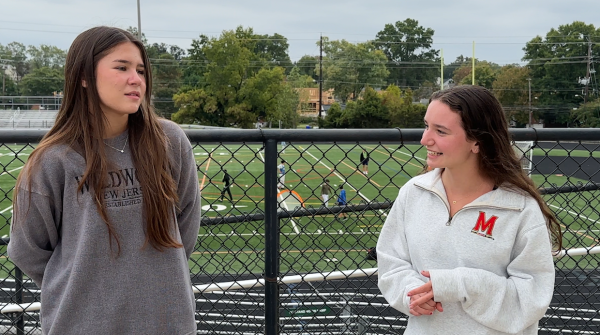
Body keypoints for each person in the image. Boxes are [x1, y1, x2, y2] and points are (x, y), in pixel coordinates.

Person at [7, 26, 201, 335]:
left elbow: (185, 229)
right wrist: (85, 286)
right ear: (84, 76)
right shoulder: (53, 159)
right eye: (121, 68)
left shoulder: (170, 142)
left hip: (168, 322)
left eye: (140, 70)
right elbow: (28, 250)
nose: (135, 79)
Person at [377, 85, 562, 335]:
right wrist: (411, 293)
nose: (425, 139)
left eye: (440, 131)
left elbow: (531, 298)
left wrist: (459, 285)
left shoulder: (520, 209)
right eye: (426, 126)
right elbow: (392, 261)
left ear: (477, 141)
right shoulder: (414, 192)